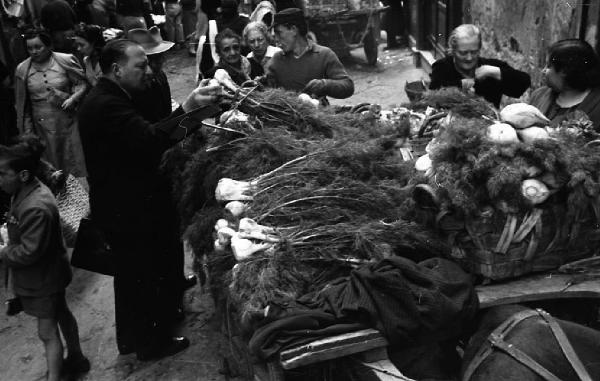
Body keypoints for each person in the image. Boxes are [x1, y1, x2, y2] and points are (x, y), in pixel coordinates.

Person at [77, 38, 222, 360]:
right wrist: (190, 110)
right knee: (139, 275)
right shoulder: (107, 105)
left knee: (137, 273)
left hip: (129, 198)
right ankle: (151, 344)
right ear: (116, 69)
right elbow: (152, 139)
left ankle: (134, 337)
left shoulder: (116, 94)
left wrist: (193, 110)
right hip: (124, 207)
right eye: (140, 66)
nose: (147, 71)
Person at [0, 135, 90, 381]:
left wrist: (4, 251)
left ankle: (55, 376)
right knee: (61, 314)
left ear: (23, 175)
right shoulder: (29, 193)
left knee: (47, 333)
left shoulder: (35, 206)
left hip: (42, 279)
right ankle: (77, 357)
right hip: (49, 275)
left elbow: (30, 252)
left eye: (2, 174)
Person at [14, 30, 88, 178]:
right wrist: (27, 132)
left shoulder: (65, 60)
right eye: (30, 48)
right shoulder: (23, 70)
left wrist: (73, 98)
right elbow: (23, 106)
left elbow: (82, 83)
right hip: (43, 127)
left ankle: (83, 197)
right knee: (54, 165)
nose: (34, 52)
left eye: (38, 47)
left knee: (76, 161)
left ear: (48, 45)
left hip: (69, 120)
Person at [429, 24, 531, 108]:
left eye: (474, 52)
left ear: (479, 49)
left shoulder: (490, 67)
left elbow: (523, 84)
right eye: (463, 53)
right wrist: (460, 85)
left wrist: (493, 72)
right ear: (453, 51)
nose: (469, 58)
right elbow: (433, 96)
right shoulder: (442, 67)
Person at [265, 8, 354, 101]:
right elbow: (267, 90)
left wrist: (324, 85)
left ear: (294, 30)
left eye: (279, 33)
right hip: (286, 113)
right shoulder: (277, 59)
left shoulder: (323, 55)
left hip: (318, 113)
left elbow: (348, 86)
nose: (276, 39)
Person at [529, 39, 600, 130]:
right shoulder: (539, 96)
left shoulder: (596, 106)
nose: (543, 71)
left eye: (549, 66)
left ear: (565, 71)